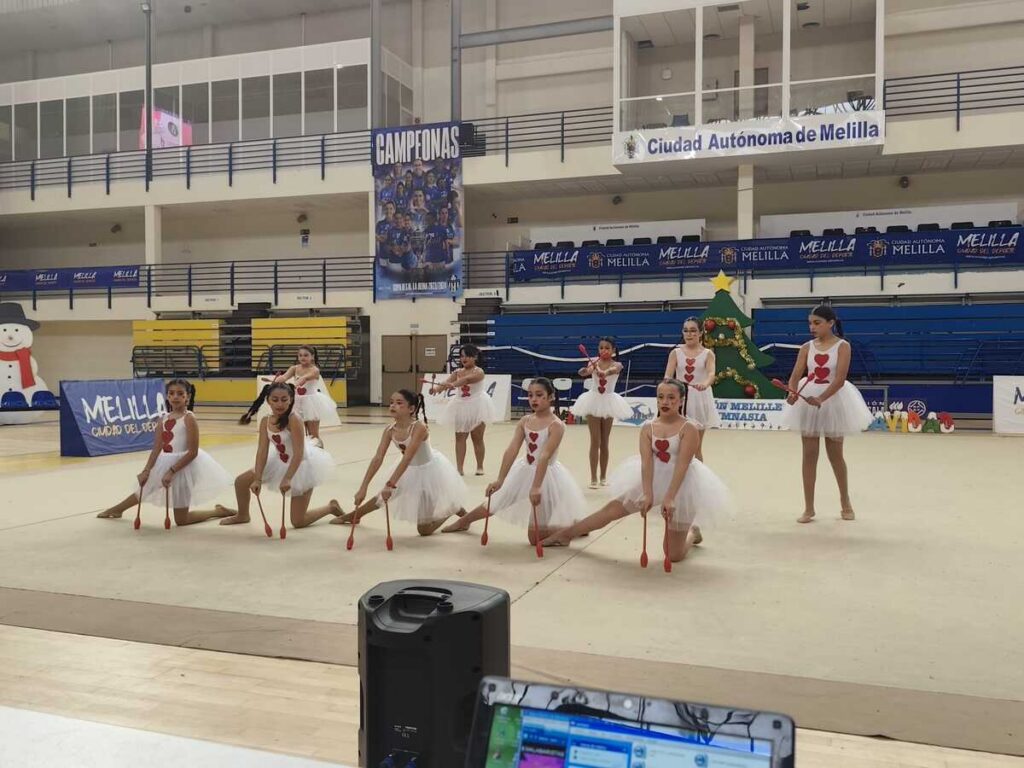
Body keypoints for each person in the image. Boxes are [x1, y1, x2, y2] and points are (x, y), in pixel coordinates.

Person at [543, 379, 730, 564]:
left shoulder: (689, 428)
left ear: (681, 401)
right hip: (653, 477)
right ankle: (565, 535)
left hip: (681, 483)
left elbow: (682, 464)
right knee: (611, 510)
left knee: (673, 555)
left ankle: (692, 532)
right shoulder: (648, 427)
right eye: (661, 397)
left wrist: (670, 497)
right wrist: (647, 493)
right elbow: (646, 463)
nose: (665, 402)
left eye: (671, 398)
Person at [443, 378, 586, 545]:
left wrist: (536, 486)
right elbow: (512, 450)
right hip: (524, 469)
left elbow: (545, 456)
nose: (534, 399)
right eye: (530, 395)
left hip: (546, 477)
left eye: (539, 395)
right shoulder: (525, 421)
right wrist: (501, 479)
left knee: (535, 540)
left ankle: (575, 528)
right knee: (498, 499)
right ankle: (463, 521)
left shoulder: (557, 425)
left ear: (551, 397)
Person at [97, 379, 232, 525]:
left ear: (187, 397)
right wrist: (146, 470)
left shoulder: (189, 418)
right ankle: (117, 509)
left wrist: (172, 471)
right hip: (165, 461)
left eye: (180, 394)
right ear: (167, 396)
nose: (175, 397)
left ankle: (218, 512)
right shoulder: (162, 420)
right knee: (146, 486)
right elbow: (156, 449)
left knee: (181, 520)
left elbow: (193, 452)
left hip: (185, 466)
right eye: (171, 393)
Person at [781, 305, 872, 523]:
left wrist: (822, 399)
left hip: (832, 400)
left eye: (817, 323)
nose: (812, 327)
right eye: (810, 323)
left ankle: (845, 502)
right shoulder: (806, 347)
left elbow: (839, 379)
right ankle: (809, 508)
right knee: (809, 455)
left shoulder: (843, 346)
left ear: (831, 323)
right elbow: (795, 375)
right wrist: (793, 392)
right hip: (809, 400)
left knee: (835, 455)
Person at [333, 389, 466, 536]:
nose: (393, 405)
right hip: (408, 469)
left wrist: (390, 485)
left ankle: (453, 508)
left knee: (424, 530)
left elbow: (408, 457)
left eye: (399, 403)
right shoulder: (389, 430)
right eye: (391, 402)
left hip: (429, 472)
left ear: (411, 409)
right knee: (380, 498)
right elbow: (378, 458)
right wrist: (363, 487)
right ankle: (355, 515)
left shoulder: (419, 427)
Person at [216, 382, 340, 529]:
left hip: (302, 465)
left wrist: (287, 478)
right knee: (241, 482)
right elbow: (262, 451)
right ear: (268, 400)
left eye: (284, 399)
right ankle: (243, 515)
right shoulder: (265, 421)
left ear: (291, 399)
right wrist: (258, 479)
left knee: (298, 521)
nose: (279, 404)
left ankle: (331, 507)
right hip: (279, 461)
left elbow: (299, 453)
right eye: (275, 400)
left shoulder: (295, 420)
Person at [570, 337, 633, 488]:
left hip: (609, 402)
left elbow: (613, 371)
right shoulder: (593, 362)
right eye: (601, 348)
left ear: (613, 350)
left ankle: (603, 476)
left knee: (605, 442)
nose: (603, 350)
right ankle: (593, 478)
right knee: (595, 441)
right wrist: (585, 370)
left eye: (607, 348)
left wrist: (605, 372)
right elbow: (586, 371)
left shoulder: (617, 364)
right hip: (593, 401)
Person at [430, 343, 497, 475]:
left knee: (477, 438)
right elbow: (446, 382)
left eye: (467, 356)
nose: (464, 359)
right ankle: (459, 468)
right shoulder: (457, 372)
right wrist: (436, 389)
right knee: (460, 438)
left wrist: (453, 385)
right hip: (460, 405)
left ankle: (479, 466)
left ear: (475, 357)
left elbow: (466, 380)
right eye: (461, 356)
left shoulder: (479, 372)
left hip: (478, 405)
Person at [664, 317, 720, 460]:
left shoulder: (708, 353)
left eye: (693, 331)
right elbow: (668, 376)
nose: (689, 334)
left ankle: (696, 480)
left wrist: (705, 384)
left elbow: (711, 373)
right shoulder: (675, 353)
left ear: (701, 332)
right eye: (686, 331)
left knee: (695, 447)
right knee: (675, 444)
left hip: (700, 399)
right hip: (679, 398)